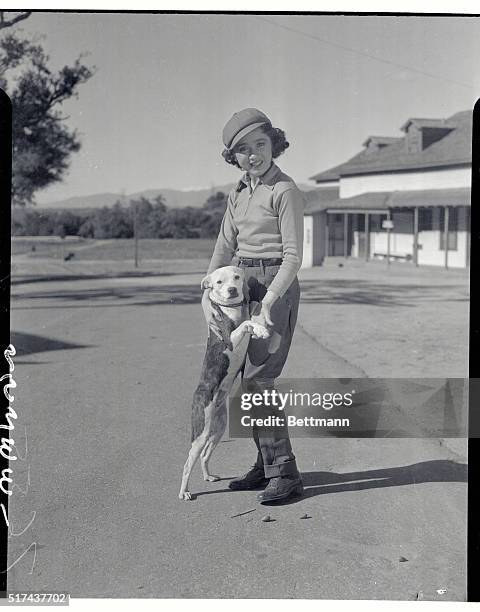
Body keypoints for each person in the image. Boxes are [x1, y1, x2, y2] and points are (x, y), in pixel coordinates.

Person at [202, 108, 305, 503]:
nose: (253, 155)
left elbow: (294, 257)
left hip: (275, 284)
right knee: (244, 382)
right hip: (239, 282)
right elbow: (224, 246)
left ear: (273, 143)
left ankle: (285, 472)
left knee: (260, 380)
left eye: (260, 144)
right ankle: (266, 465)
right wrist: (208, 293)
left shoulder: (285, 190)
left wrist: (268, 304)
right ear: (234, 157)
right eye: (243, 150)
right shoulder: (239, 192)